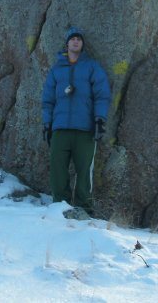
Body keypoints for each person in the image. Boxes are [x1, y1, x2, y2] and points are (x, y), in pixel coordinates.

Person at [41, 26, 111, 213]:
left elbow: (102, 95)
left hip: (85, 129)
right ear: (67, 43)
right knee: (58, 169)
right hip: (60, 128)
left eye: (79, 39)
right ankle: (59, 207)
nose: (76, 41)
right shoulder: (56, 69)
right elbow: (47, 100)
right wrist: (47, 124)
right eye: (72, 38)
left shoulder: (92, 67)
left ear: (82, 44)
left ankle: (84, 209)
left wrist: (99, 120)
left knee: (84, 171)